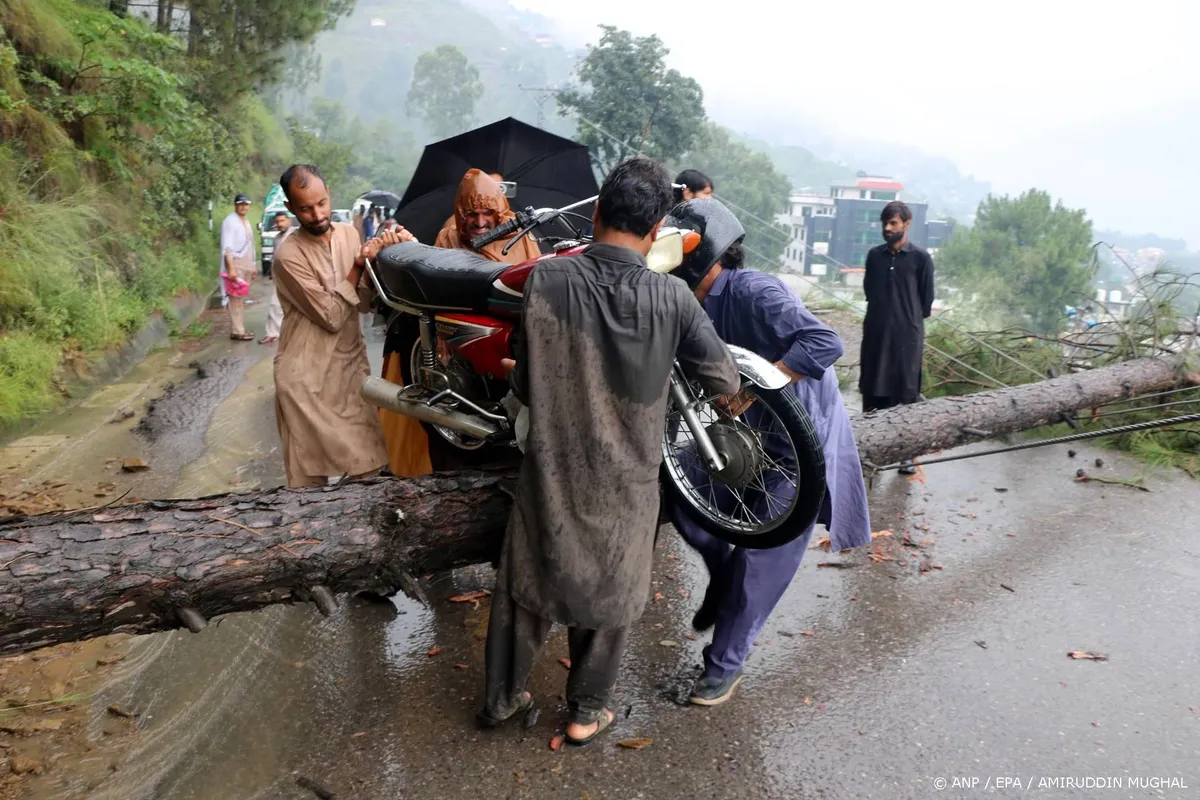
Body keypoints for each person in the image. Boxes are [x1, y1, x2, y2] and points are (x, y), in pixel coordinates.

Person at [479, 157, 741, 746]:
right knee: (611, 584)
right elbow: (723, 379)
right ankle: (585, 710)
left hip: (550, 470)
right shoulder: (672, 297)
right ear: (656, 233)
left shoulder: (546, 280)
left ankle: (503, 699)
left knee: (526, 582)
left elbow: (522, 384)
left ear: (596, 213)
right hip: (626, 481)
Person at [663, 198, 872, 706]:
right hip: (744, 437)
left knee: (763, 559)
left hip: (799, 445)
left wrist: (753, 389)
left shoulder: (755, 290)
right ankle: (721, 570)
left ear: (702, 252)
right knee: (678, 488)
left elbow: (824, 342)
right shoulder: (690, 304)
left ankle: (724, 666)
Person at [270, 164, 412, 488]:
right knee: (308, 484)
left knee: (369, 466)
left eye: (321, 203)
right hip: (304, 378)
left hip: (349, 371)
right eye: (305, 208)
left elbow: (361, 303)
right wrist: (359, 264)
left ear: (328, 193)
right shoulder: (288, 257)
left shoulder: (348, 233)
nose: (317, 214)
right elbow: (332, 316)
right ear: (290, 208)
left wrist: (384, 253)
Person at [860, 200, 935, 475]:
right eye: (885, 223)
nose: (888, 228)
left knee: (905, 392)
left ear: (906, 223)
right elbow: (870, 292)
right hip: (876, 333)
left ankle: (907, 455)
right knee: (872, 389)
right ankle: (870, 453)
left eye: (893, 223)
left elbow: (926, 302)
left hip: (907, 336)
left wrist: (904, 318)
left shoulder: (920, 258)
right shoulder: (874, 256)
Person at [433, 169, 541, 263]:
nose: (480, 223)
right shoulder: (448, 237)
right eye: (472, 214)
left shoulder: (519, 236)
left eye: (487, 213)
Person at [220, 193, 257, 342]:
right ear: (235, 205)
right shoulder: (230, 222)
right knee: (235, 299)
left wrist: (253, 266)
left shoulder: (245, 222)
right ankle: (237, 331)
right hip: (235, 264)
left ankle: (239, 328)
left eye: (246, 204)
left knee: (240, 298)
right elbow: (227, 247)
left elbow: (251, 244)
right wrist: (231, 268)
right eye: (240, 204)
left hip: (246, 264)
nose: (243, 206)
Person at [259, 212, 293, 345]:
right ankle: (273, 333)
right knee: (275, 304)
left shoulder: (294, 236)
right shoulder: (277, 238)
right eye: (278, 222)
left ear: (289, 221)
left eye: (282, 221)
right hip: (280, 277)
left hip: (293, 277)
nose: (280, 224)